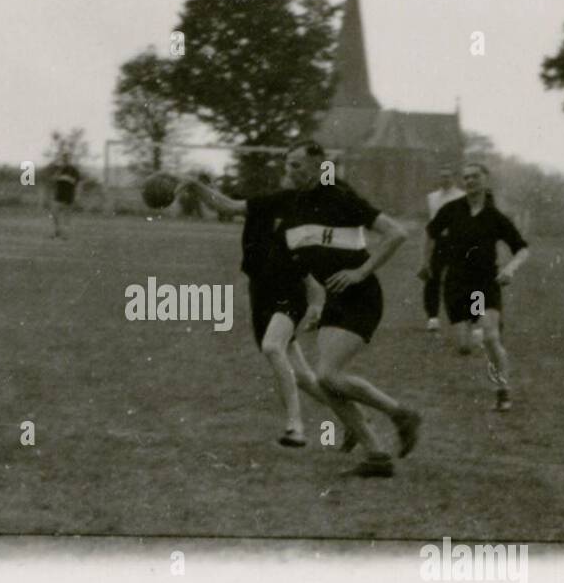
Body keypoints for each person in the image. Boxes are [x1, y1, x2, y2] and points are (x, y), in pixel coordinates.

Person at [277, 141, 421, 478]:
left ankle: (400, 414)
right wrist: (315, 304)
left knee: (327, 375)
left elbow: (396, 234)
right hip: (333, 299)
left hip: (362, 297)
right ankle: (376, 455)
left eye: (297, 165)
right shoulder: (296, 205)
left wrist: (359, 273)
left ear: (317, 166)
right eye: (288, 164)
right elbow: (306, 264)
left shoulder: (340, 197)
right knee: (329, 383)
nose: (289, 170)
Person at [180, 171, 338, 449]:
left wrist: (315, 303)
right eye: (291, 168)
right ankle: (356, 419)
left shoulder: (306, 215)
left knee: (272, 347)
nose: (292, 174)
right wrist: (199, 186)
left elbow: (309, 272)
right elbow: (225, 206)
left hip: (289, 294)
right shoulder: (268, 203)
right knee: (303, 376)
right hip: (261, 294)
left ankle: (295, 428)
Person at [423, 162, 529, 412]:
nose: (470, 181)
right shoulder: (452, 210)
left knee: (491, 338)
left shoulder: (495, 217)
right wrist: (425, 262)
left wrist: (510, 269)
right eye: (466, 177)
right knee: (463, 347)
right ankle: (475, 325)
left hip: (483, 285)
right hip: (456, 283)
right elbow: (430, 232)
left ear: (485, 180)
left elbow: (522, 249)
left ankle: (502, 391)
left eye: (475, 177)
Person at [422, 165, 464, 331]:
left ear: (453, 178)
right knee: (432, 278)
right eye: (442, 176)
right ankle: (432, 317)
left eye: (448, 176)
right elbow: (430, 223)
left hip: (457, 241)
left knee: (456, 280)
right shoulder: (432, 197)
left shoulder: (462, 196)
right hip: (438, 240)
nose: (445, 179)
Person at [49, 154, 81, 239]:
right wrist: (58, 171)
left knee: (66, 215)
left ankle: (65, 234)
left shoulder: (73, 171)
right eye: (63, 159)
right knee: (54, 212)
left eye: (67, 159)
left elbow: (78, 184)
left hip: (69, 195)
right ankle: (57, 231)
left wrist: (78, 195)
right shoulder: (59, 170)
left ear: (69, 160)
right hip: (59, 195)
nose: (65, 160)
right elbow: (53, 180)